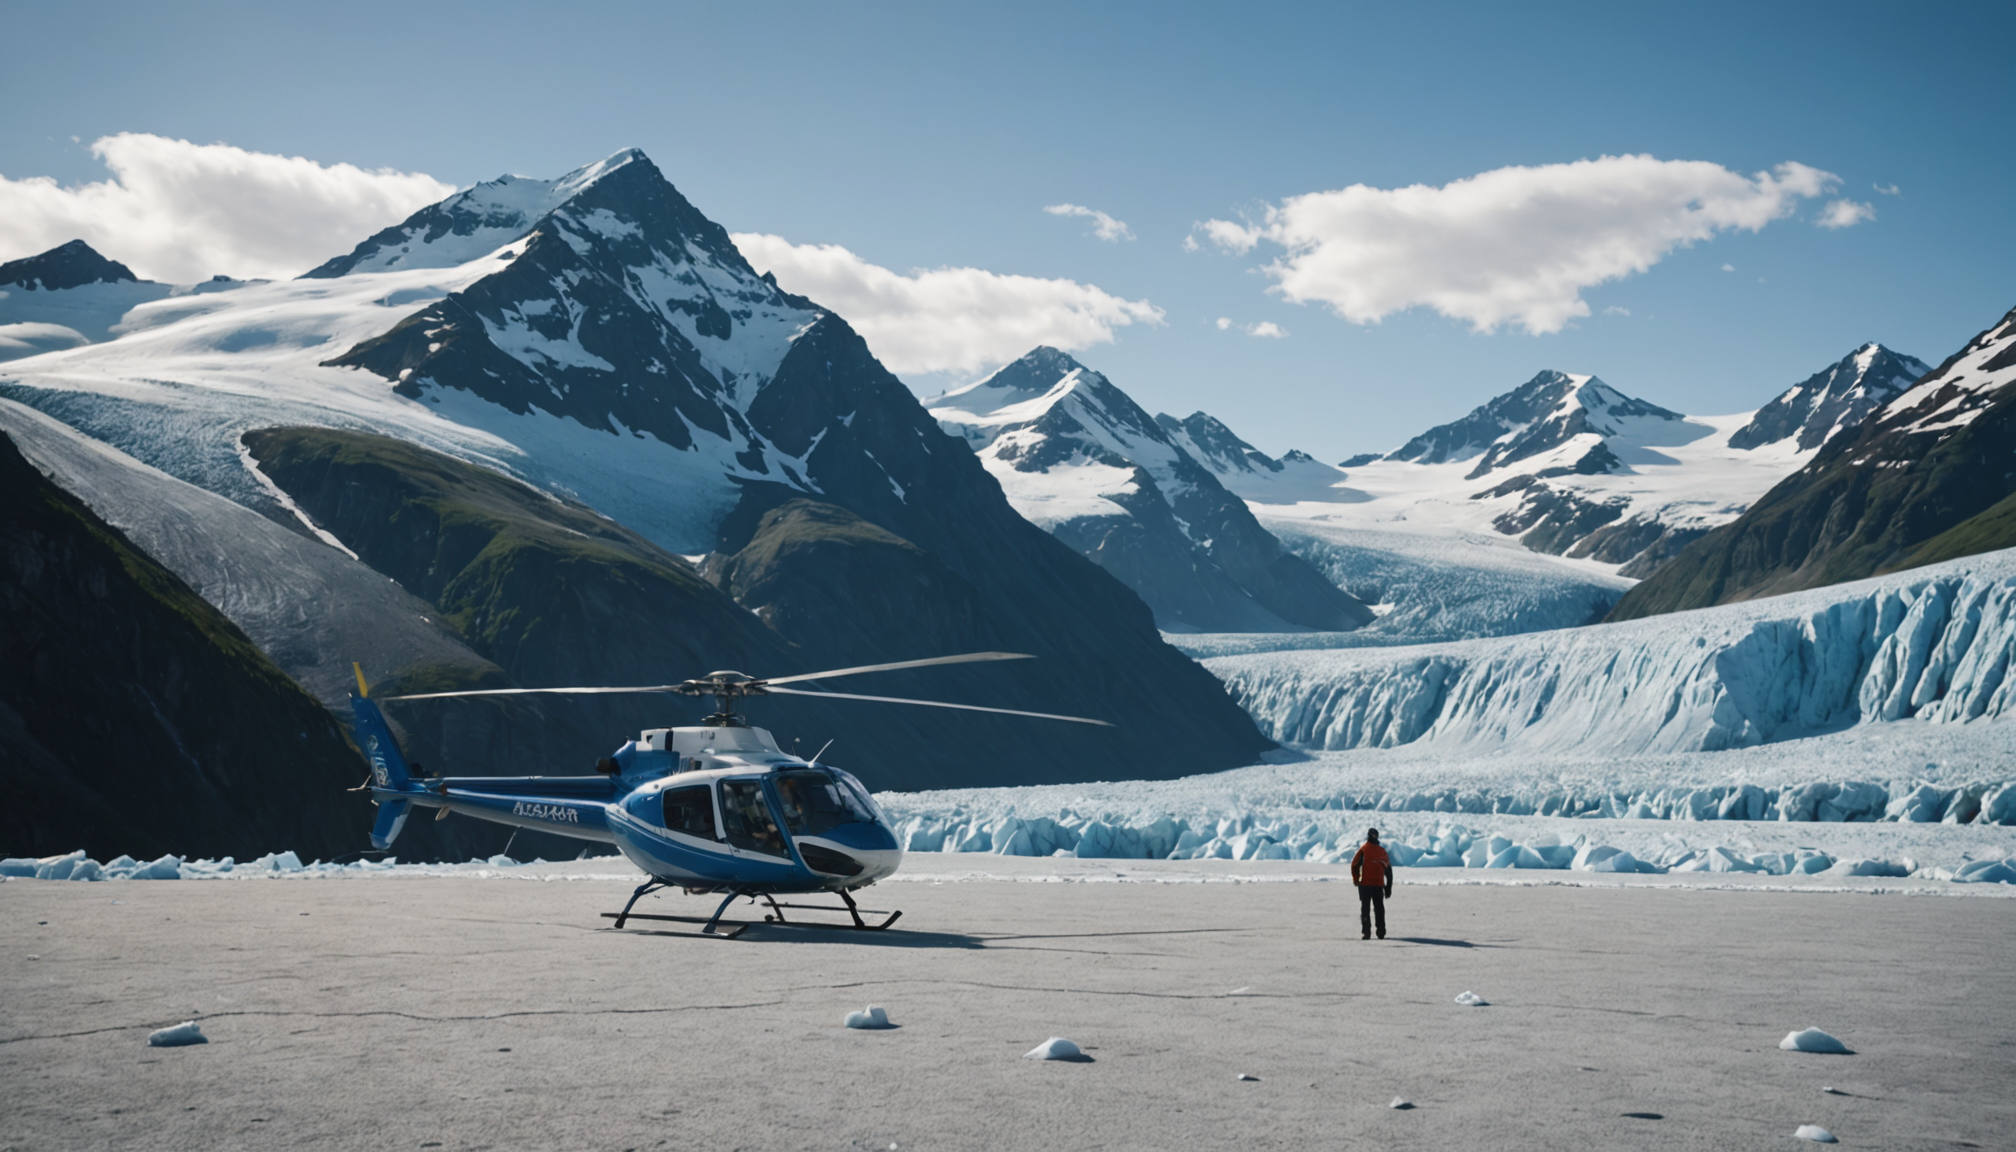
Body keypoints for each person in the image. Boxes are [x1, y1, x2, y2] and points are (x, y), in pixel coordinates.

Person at [1350, 828, 1393, 940]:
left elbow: (1354, 864)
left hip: (1366, 885)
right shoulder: (1381, 851)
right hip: (1378, 885)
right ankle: (1381, 932)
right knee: (1379, 908)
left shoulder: (1364, 849)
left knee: (1365, 908)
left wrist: (1356, 879)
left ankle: (1366, 932)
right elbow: (1388, 870)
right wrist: (1388, 887)